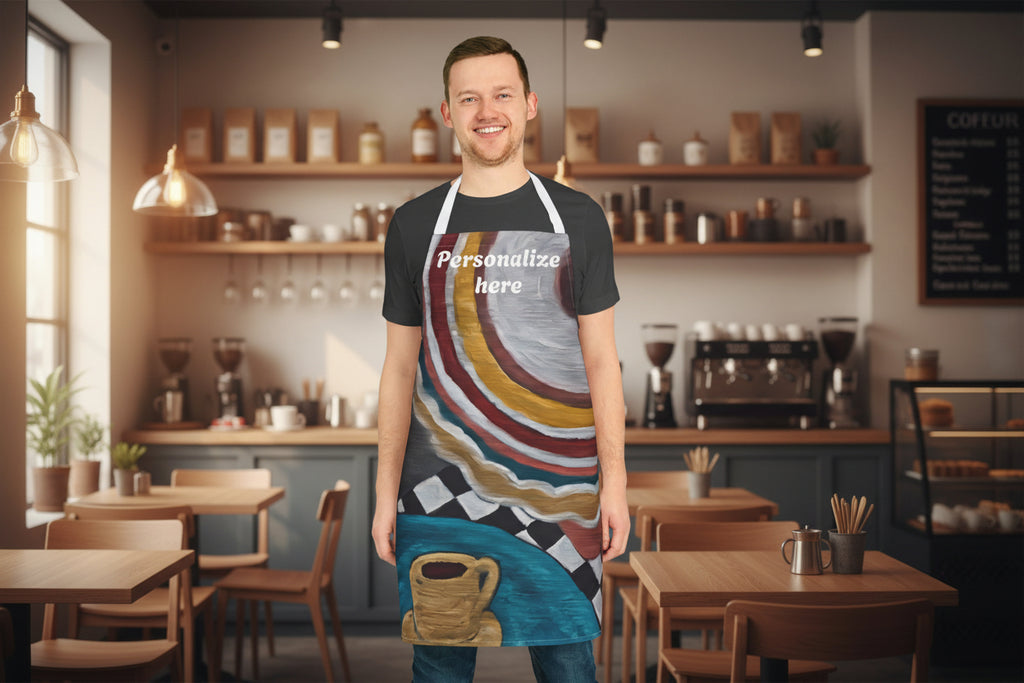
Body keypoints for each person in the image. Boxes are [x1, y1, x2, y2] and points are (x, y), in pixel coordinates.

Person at [371, 35, 628, 683]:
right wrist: (383, 493)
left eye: (503, 94)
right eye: (470, 97)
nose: (488, 110)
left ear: (531, 105)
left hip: (565, 491)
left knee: (568, 659)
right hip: (435, 491)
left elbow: (603, 363)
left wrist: (617, 485)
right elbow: (400, 368)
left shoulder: (579, 218)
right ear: (447, 113)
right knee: (440, 661)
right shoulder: (412, 225)